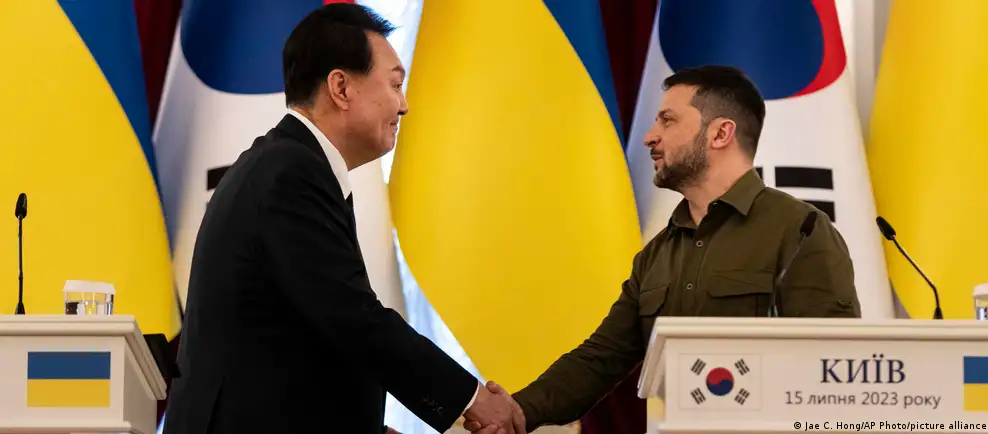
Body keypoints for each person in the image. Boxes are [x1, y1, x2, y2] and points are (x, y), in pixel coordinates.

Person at [161, 4, 523, 434]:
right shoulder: (291, 174)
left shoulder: (286, 164)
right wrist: (470, 400)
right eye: (395, 84)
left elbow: (305, 333)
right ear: (341, 88)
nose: (404, 106)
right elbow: (353, 318)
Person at [464, 65, 862, 432]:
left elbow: (832, 372)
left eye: (667, 120)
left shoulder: (800, 230)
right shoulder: (657, 254)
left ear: (720, 134)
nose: (649, 137)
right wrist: (521, 410)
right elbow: (601, 358)